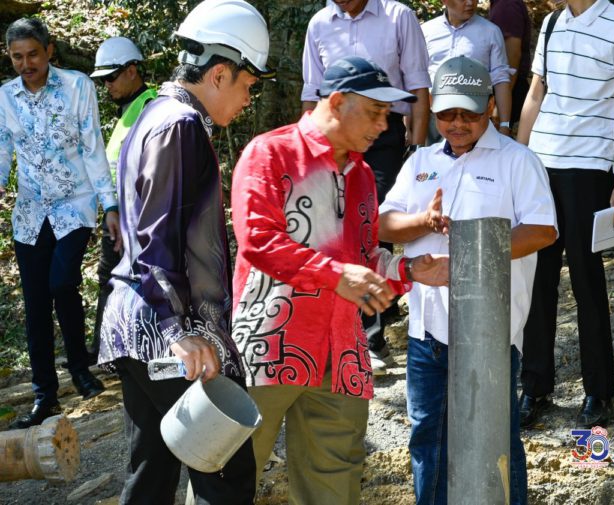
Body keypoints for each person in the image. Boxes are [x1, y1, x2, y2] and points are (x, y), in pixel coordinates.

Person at [230, 56, 449, 505]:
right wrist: (336, 275)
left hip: (342, 354)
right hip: (268, 347)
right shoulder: (270, 153)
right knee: (229, 478)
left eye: (387, 115)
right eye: (375, 112)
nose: (383, 126)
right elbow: (258, 241)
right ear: (335, 102)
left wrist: (407, 270)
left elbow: (363, 259)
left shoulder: (363, 175)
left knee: (335, 488)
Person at [97, 0, 273, 502]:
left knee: (151, 474)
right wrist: (179, 331)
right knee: (225, 470)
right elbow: (158, 235)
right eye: (248, 85)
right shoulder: (181, 125)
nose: (248, 99)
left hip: (134, 321)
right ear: (219, 74)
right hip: (166, 329)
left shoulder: (153, 114)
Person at [379, 55, 557, 505]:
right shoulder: (419, 162)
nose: (456, 124)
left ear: (490, 108)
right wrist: (424, 221)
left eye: (469, 113)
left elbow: (542, 230)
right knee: (428, 439)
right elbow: (382, 224)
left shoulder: (518, 161)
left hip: (489, 332)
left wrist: (470, 254)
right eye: (446, 114)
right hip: (427, 332)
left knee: (494, 442)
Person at [516, 0, 614, 429]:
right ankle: (534, 384)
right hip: (541, 165)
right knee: (538, 279)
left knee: (587, 280)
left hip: (590, 165)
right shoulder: (552, 23)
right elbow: (536, 93)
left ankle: (598, 390)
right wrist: (517, 162)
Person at [302, 0, 432, 373]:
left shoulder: (398, 16)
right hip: (330, 137)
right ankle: (335, 328)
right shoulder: (319, 23)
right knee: (329, 224)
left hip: (385, 133)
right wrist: (307, 148)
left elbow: (418, 85)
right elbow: (311, 93)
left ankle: (370, 338)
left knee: (369, 225)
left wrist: (417, 150)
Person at [1, 18, 114, 430]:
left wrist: (109, 203)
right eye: (17, 57)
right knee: (35, 305)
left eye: (33, 54)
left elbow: (93, 146)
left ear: (49, 50)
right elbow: (2, 151)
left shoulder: (77, 86)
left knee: (62, 282)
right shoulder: (5, 97)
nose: (26, 64)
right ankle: (44, 395)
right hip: (31, 213)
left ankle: (79, 369)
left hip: (75, 205)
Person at [88, 36, 157, 362]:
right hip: (118, 212)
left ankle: (112, 353)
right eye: (103, 80)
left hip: (132, 215)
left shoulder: (149, 105)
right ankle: (106, 351)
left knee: (118, 279)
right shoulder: (131, 107)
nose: (107, 85)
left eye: (111, 77)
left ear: (132, 70)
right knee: (110, 279)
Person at [421, 0, 512, 137]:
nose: (470, 3)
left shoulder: (490, 32)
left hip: (473, 117)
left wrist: (505, 124)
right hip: (433, 115)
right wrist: (410, 120)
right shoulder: (427, 31)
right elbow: (417, 77)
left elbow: (501, 80)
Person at [489, 0, 533, 127]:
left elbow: (512, 55)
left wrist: (500, 105)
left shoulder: (506, 5)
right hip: (503, 87)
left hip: (508, 87)